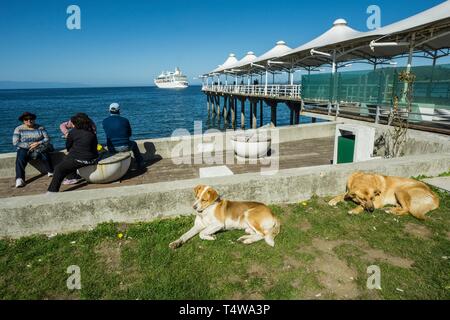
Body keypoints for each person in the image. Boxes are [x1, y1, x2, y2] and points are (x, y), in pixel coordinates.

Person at [47, 114, 99, 193]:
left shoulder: (73, 132)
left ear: (76, 123)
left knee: (59, 169)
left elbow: (68, 146)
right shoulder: (91, 130)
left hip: (82, 160)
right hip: (93, 157)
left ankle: (52, 191)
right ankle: (73, 177)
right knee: (67, 159)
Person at [13, 112, 54, 188]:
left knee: (44, 152)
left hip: (39, 147)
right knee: (20, 157)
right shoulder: (18, 129)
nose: (29, 120)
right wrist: (29, 146)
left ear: (34, 119)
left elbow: (47, 138)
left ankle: (50, 171)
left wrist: (38, 143)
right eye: (26, 119)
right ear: (23, 120)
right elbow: (15, 142)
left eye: (31, 119)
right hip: (24, 148)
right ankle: (19, 179)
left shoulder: (40, 128)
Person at [102, 103, 144, 169]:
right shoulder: (125, 120)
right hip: (125, 146)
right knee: (134, 144)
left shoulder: (104, 121)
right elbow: (129, 134)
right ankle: (140, 163)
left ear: (109, 110)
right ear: (119, 110)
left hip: (111, 148)